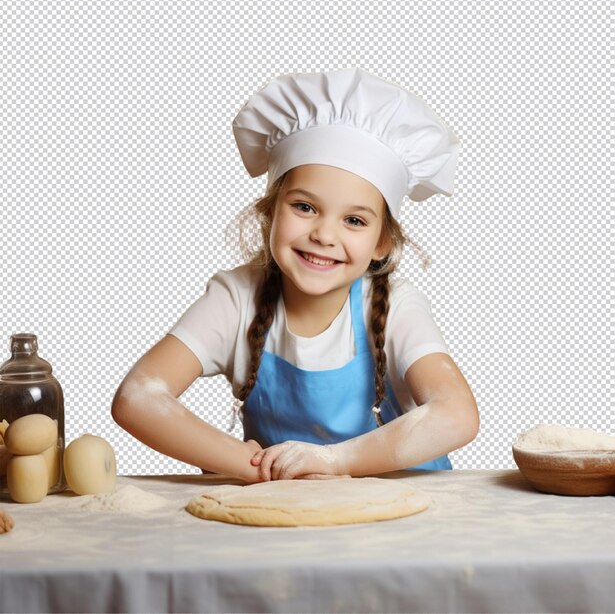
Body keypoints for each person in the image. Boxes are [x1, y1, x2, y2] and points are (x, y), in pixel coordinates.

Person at [111, 67, 479, 483]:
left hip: (406, 521)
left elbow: (456, 415)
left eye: (355, 220)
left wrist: (334, 462)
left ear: (382, 243)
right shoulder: (236, 299)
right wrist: (246, 465)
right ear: (270, 212)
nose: (323, 234)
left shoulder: (396, 306)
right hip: (285, 521)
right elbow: (137, 397)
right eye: (305, 207)